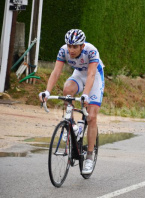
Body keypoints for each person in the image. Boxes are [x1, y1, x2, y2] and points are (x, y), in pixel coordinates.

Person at [39, 29, 105, 174]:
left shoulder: (91, 51)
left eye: (75, 47)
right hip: (78, 75)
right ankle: (72, 125)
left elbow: (92, 74)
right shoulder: (63, 51)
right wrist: (47, 92)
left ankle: (89, 157)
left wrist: (86, 94)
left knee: (91, 117)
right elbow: (56, 72)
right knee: (67, 90)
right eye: (69, 46)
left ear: (82, 46)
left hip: (94, 77)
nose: (71, 50)